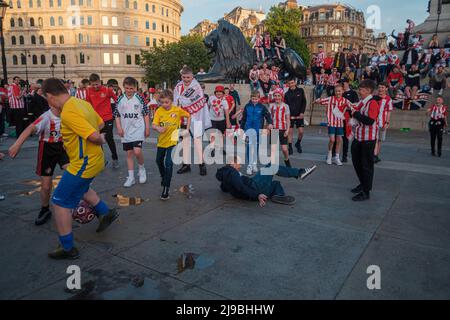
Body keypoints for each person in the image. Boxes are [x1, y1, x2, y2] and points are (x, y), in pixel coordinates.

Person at [41, 78, 119, 260]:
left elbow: (94, 134)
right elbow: (99, 124)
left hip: (84, 163)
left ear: (51, 96)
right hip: (95, 159)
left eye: (47, 99)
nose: (48, 102)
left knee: (59, 201)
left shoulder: (68, 112)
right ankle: (105, 213)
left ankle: (67, 247)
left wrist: (98, 139)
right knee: (82, 188)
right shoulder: (82, 103)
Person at [8, 105, 70, 226]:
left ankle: (85, 203)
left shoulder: (68, 114)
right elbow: (29, 129)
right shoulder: (46, 117)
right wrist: (17, 145)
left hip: (63, 147)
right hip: (47, 149)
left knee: (74, 174)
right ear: (51, 101)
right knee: (46, 185)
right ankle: (45, 209)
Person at [216, 156, 317, 207]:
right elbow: (240, 187)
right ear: (232, 164)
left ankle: (279, 195)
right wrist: (257, 195)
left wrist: (225, 185)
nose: (240, 166)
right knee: (271, 167)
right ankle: (300, 172)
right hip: (254, 186)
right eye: (238, 164)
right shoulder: (231, 172)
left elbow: (224, 187)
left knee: (275, 183)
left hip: (255, 188)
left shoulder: (228, 176)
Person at [153, 90, 191, 200]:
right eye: (162, 102)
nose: (164, 104)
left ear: (171, 101)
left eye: (166, 102)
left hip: (173, 140)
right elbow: (154, 124)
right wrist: (158, 128)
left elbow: (188, 116)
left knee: (168, 163)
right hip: (161, 141)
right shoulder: (159, 111)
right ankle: (163, 176)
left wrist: (187, 130)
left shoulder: (177, 110)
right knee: (158, 161)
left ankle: (166, 188)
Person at [174, 67, 211, 176]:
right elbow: (175, 101)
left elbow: (199, 101)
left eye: (188, 77)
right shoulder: (178, 86)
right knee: (185, 141)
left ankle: (201, 164)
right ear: (181, 76)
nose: (186, 79)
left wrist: (184, 102)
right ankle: (186, 165)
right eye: (184, 77)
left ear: (192, 76)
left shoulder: (196, 86)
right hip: (183, 117)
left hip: (196, 116)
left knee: (197, 141)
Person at [114, 77, 150, 188]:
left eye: (131, 88)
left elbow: (145, 113)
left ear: (135, 88)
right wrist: (119, 127)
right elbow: (117, 114)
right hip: (126, 130)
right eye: (127, 88)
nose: (129, 90)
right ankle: (131, 177)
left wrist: (147, 128)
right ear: (124, 87)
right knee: (129, 154)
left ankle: (141, 169)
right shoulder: (120, 99)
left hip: (138, 129)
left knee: (137, 151)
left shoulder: (139, 98)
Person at [349, 79, 380, 202]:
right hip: (359, 137)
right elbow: (354, 109)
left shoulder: (372, 103)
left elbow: (370, 120)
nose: (359, 91)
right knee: (357, 162)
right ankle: (363, 183)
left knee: (366, 165)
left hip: (368, 139)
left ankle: (366, 191)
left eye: (361, 89)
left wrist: (355, 114)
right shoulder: (363, 102)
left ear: (368, 90)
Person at [86, 73, 119, 168]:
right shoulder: (88, 91)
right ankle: (102, 160)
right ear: (90, 84)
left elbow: (116, 99)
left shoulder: (107, 90)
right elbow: (88, 105)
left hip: (108, 118)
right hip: (96, 120)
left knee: (109, 138)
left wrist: (116, 111)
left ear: (100, 82)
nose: (95, 86)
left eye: (97, 84)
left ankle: (115, 158)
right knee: (98, 140)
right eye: (93, 85)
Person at [315, 84, 350, 166]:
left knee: (339, 140)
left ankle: (337, 157)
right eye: (336, 91)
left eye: (339, 91)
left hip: (340, 123)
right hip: (331, 123)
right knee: (332, 140)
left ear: (343, 91)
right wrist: (316, 101)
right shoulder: (330, 99)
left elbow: (352, 106)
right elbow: (321, 101)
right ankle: (330, 155)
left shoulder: (345, 101)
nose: (338, 93)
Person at [241, 91, 273, 175]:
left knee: (256, 147)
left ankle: (254, 164)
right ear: (250, 98)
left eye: (256, 99)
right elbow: (244, 118)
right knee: (249, 146)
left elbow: (268, 116)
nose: (254, 100)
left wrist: (270, 123)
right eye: (252, 99)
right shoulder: (247, 106)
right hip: (248, 130)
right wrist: (241, 129)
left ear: (259, 99)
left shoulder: (262, 107)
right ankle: (249, 165)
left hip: (258, 130)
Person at [284, 78, 307, 155]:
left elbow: (304, 102)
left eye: (292, 82)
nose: (291, 84)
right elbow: (286, 106)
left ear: (295, 82)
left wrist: (302, 112)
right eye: (289, 83)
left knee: (301, 132)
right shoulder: (286, 94)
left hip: (299, 115)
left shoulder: (300, 90)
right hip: (290, 116)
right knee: (290, 132)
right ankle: (290, 146)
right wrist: (287, 115)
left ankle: (298, 143)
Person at [270, 89, 291, 167]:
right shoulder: (271, 106)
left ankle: (286, 160)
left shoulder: (286, 106)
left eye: (278, 96)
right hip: (274, 129)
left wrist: (288, 129)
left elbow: (288, 119)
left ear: (282, 96)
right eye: (275, 96)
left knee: (284, 149)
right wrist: (269, 126)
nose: (277, 97)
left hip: (283, 129)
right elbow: (270, 118)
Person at [208, 85, 231, 156]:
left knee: (221, 135)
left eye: (220, 92)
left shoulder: (224, 101)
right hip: (212, 120)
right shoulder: (211, 98)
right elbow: (208, 107)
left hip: (221, 120)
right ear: (215, 92)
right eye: (217, 92)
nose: (218, 93)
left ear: (223, 93)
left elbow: (226, 112)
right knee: (212, 136)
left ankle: (221, 148)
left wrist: (228, 122)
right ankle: (212, 149)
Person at [374, 82, 393, 164]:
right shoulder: (374, 97)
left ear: (386, 89)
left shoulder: (388, 99)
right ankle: (373, 155)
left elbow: (389, 111)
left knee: (380, 140)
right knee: (375, 139)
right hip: (374, 122)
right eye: (379, 87)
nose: (380, 89)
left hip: (383, 122)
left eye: (382, 87)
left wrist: (387, 122)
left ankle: (376, 155)